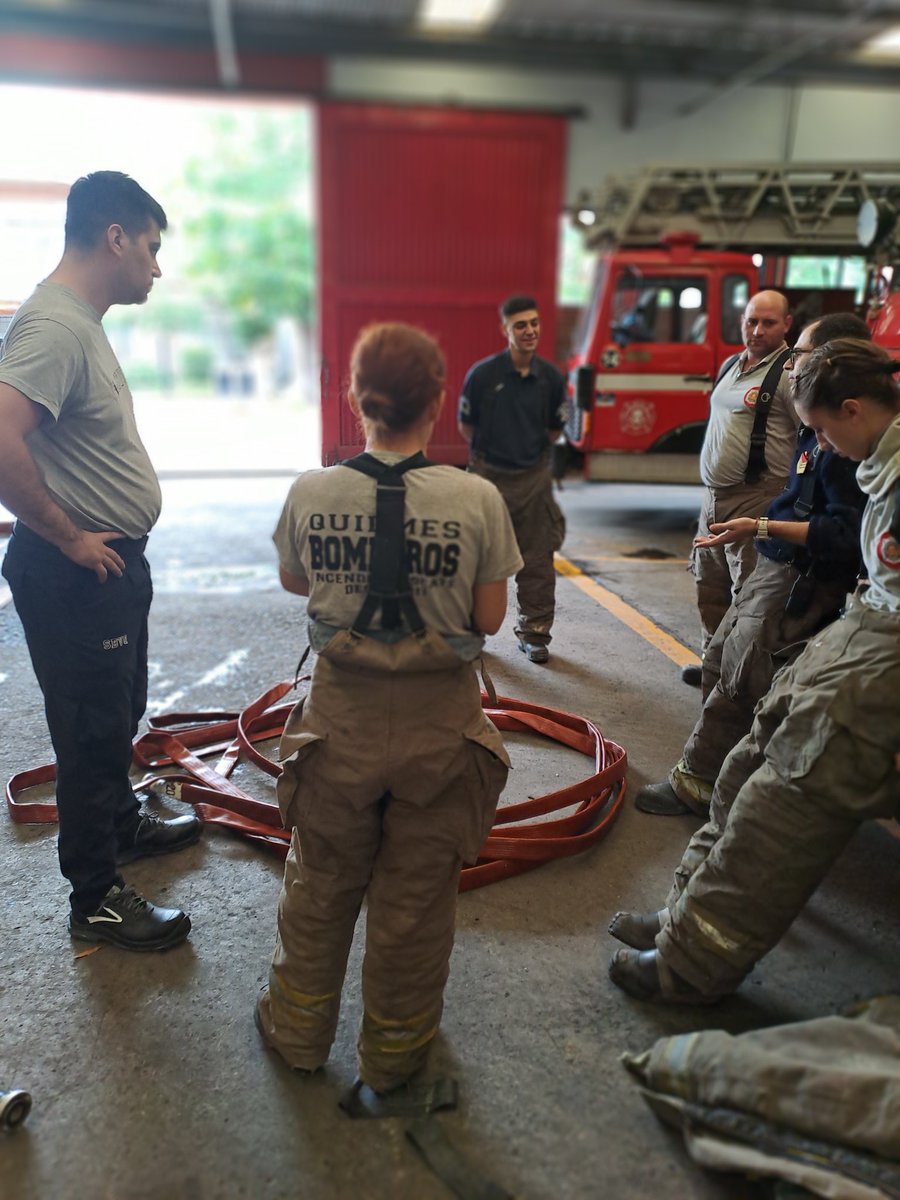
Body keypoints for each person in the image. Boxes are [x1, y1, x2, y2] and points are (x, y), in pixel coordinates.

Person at [256, 323, 522, 1092]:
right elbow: (491, 619)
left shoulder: (312, 489)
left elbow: (294, 582)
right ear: (441, 402)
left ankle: (299, 1032)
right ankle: (397, 1055)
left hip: (339, 723)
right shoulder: (478, 499)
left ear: (356, 399)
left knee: (320, 881)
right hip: (440, 730)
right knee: (415, 900)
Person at [607, 337, 900, 1003]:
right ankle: (680, 916)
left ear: (851, 410)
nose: (821, 443)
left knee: (779, 806)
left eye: (823, 429)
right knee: (744, 766)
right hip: (865, 627)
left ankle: (686, 967)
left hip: (881, 661)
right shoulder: (882, 460)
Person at [0, 172, 200, 952]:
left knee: (117, 713)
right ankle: (97, 897)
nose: (156, 265)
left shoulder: (78, 321)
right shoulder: (54, 326)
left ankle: (123, 824)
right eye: (151, 247)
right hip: (77, 572)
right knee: (88, 734)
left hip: (108, 569)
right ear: (115, 237)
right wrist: (67, 535)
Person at [637, 313, 870, 816]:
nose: (792, 363)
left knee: (742, 681)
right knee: (720, 659)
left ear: (830, 363)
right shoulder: (821, 428)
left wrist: (760, 526)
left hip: (798, 580)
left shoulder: (847, 443)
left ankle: (698, 784)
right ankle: (713, 769)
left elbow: (844, 534)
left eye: (802, 354)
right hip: (774, 563)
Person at [683, 290, 798, 686]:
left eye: (768, 322)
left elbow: (812, 437)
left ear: (787, 324)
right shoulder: (733, 364)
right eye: (751, 321)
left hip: (757, 497)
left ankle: (736, 680)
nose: (757, 329)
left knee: (747, 596)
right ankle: (711, 666)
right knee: (709, 587)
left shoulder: (788, 374)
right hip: (713, 499)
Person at [458, 295, 566, 664]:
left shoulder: (551, 377)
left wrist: (527, 457)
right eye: (520, 325)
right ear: (505, 330)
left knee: (536, 560)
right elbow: (466, 425)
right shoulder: (483, 376)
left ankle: (534, 634)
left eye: (534, 323)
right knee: (478, 558)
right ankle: (469, 633)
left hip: (534, 478)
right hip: (489, 478)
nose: (530, 331)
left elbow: (555, 428)